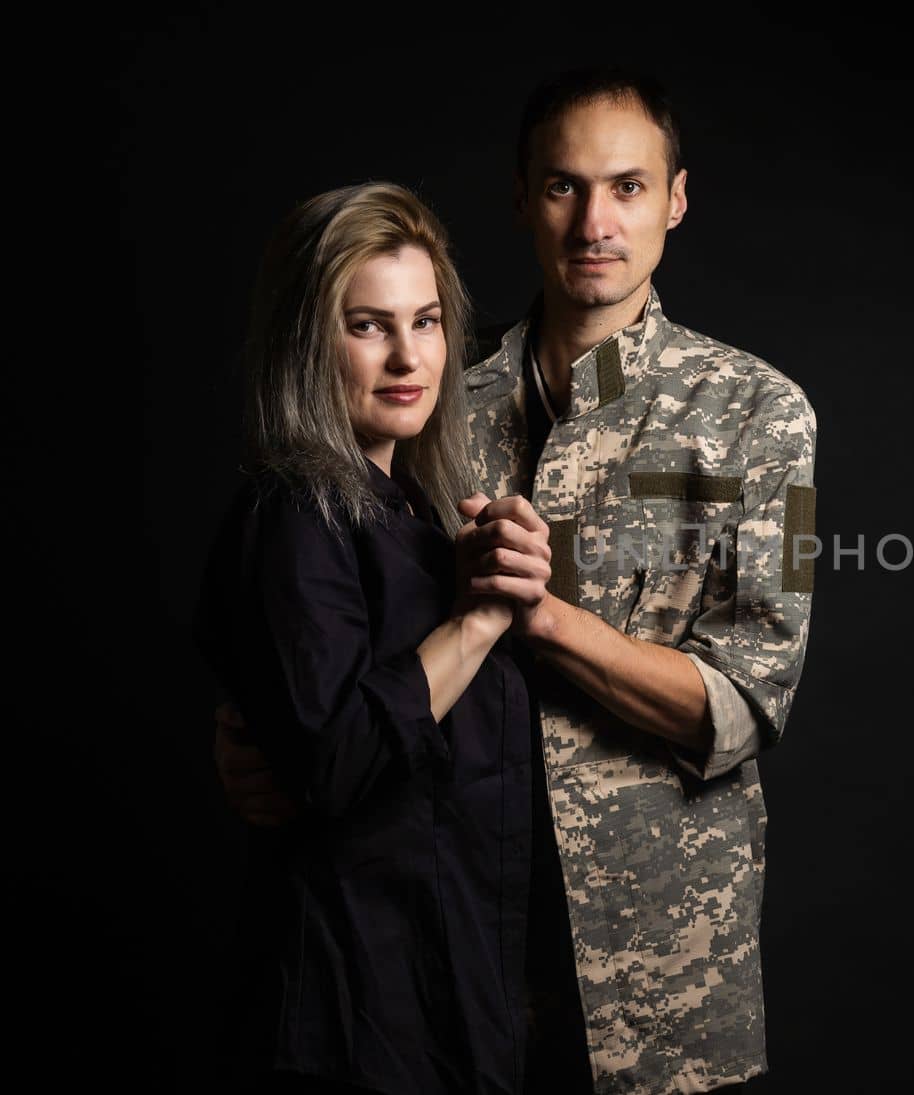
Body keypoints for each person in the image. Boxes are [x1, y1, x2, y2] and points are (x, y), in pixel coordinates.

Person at [216, 67, 819, 1094]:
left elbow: (743, 703)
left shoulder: (764, 415)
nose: (595, 221)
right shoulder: (434, 387)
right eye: (562, 186)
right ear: (520, 197)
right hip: (448, 936)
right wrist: (247, 725)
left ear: (675, 198)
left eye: (628, 187)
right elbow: (322, 592)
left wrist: (537, 619)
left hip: (656, 950)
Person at [196, 181, 553, 1094]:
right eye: (368, 325)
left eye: (426, 321)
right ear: (309, 341)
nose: (408, 356)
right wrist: (477, 622)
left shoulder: (415, 519)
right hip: (350, 1025)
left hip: (440, 1000)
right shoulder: (298, 510)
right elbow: (338, 757)